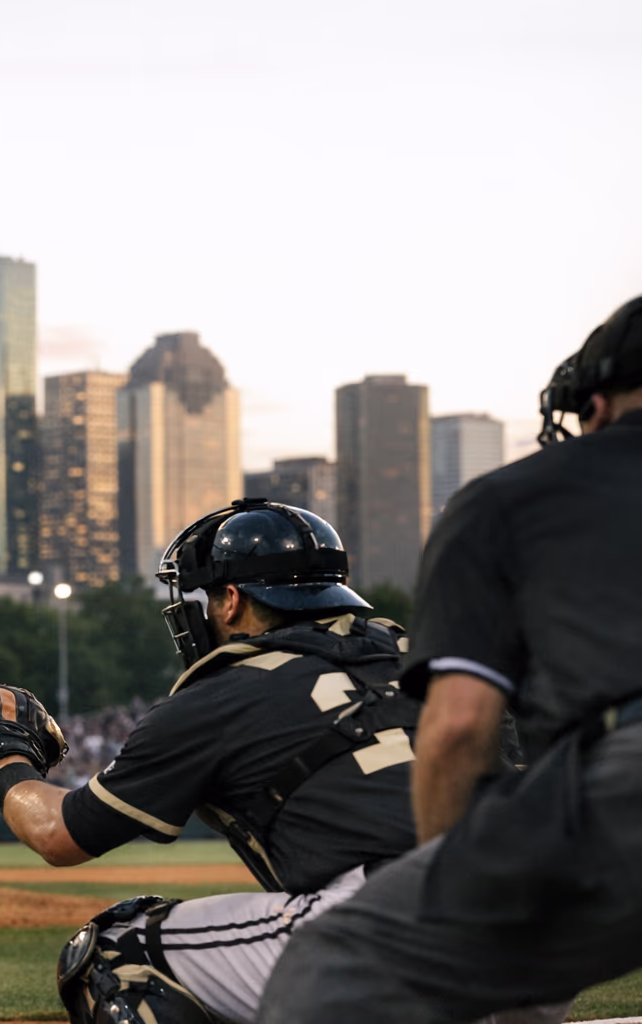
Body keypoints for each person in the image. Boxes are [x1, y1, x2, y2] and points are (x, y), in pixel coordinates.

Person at [0, 500, 566, 1024]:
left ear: (231, 600)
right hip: (544, 929)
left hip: (399, 931)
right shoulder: (427, 651)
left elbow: (59, 834)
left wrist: (0, 760)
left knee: (112, 950)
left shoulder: (222, 691)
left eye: (201, 595)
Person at [258, 298, 642, 1023]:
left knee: (333, 963)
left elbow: (461, 726)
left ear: (595, 403)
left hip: (625, 782)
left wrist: (455, 892)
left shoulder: (516, 497)